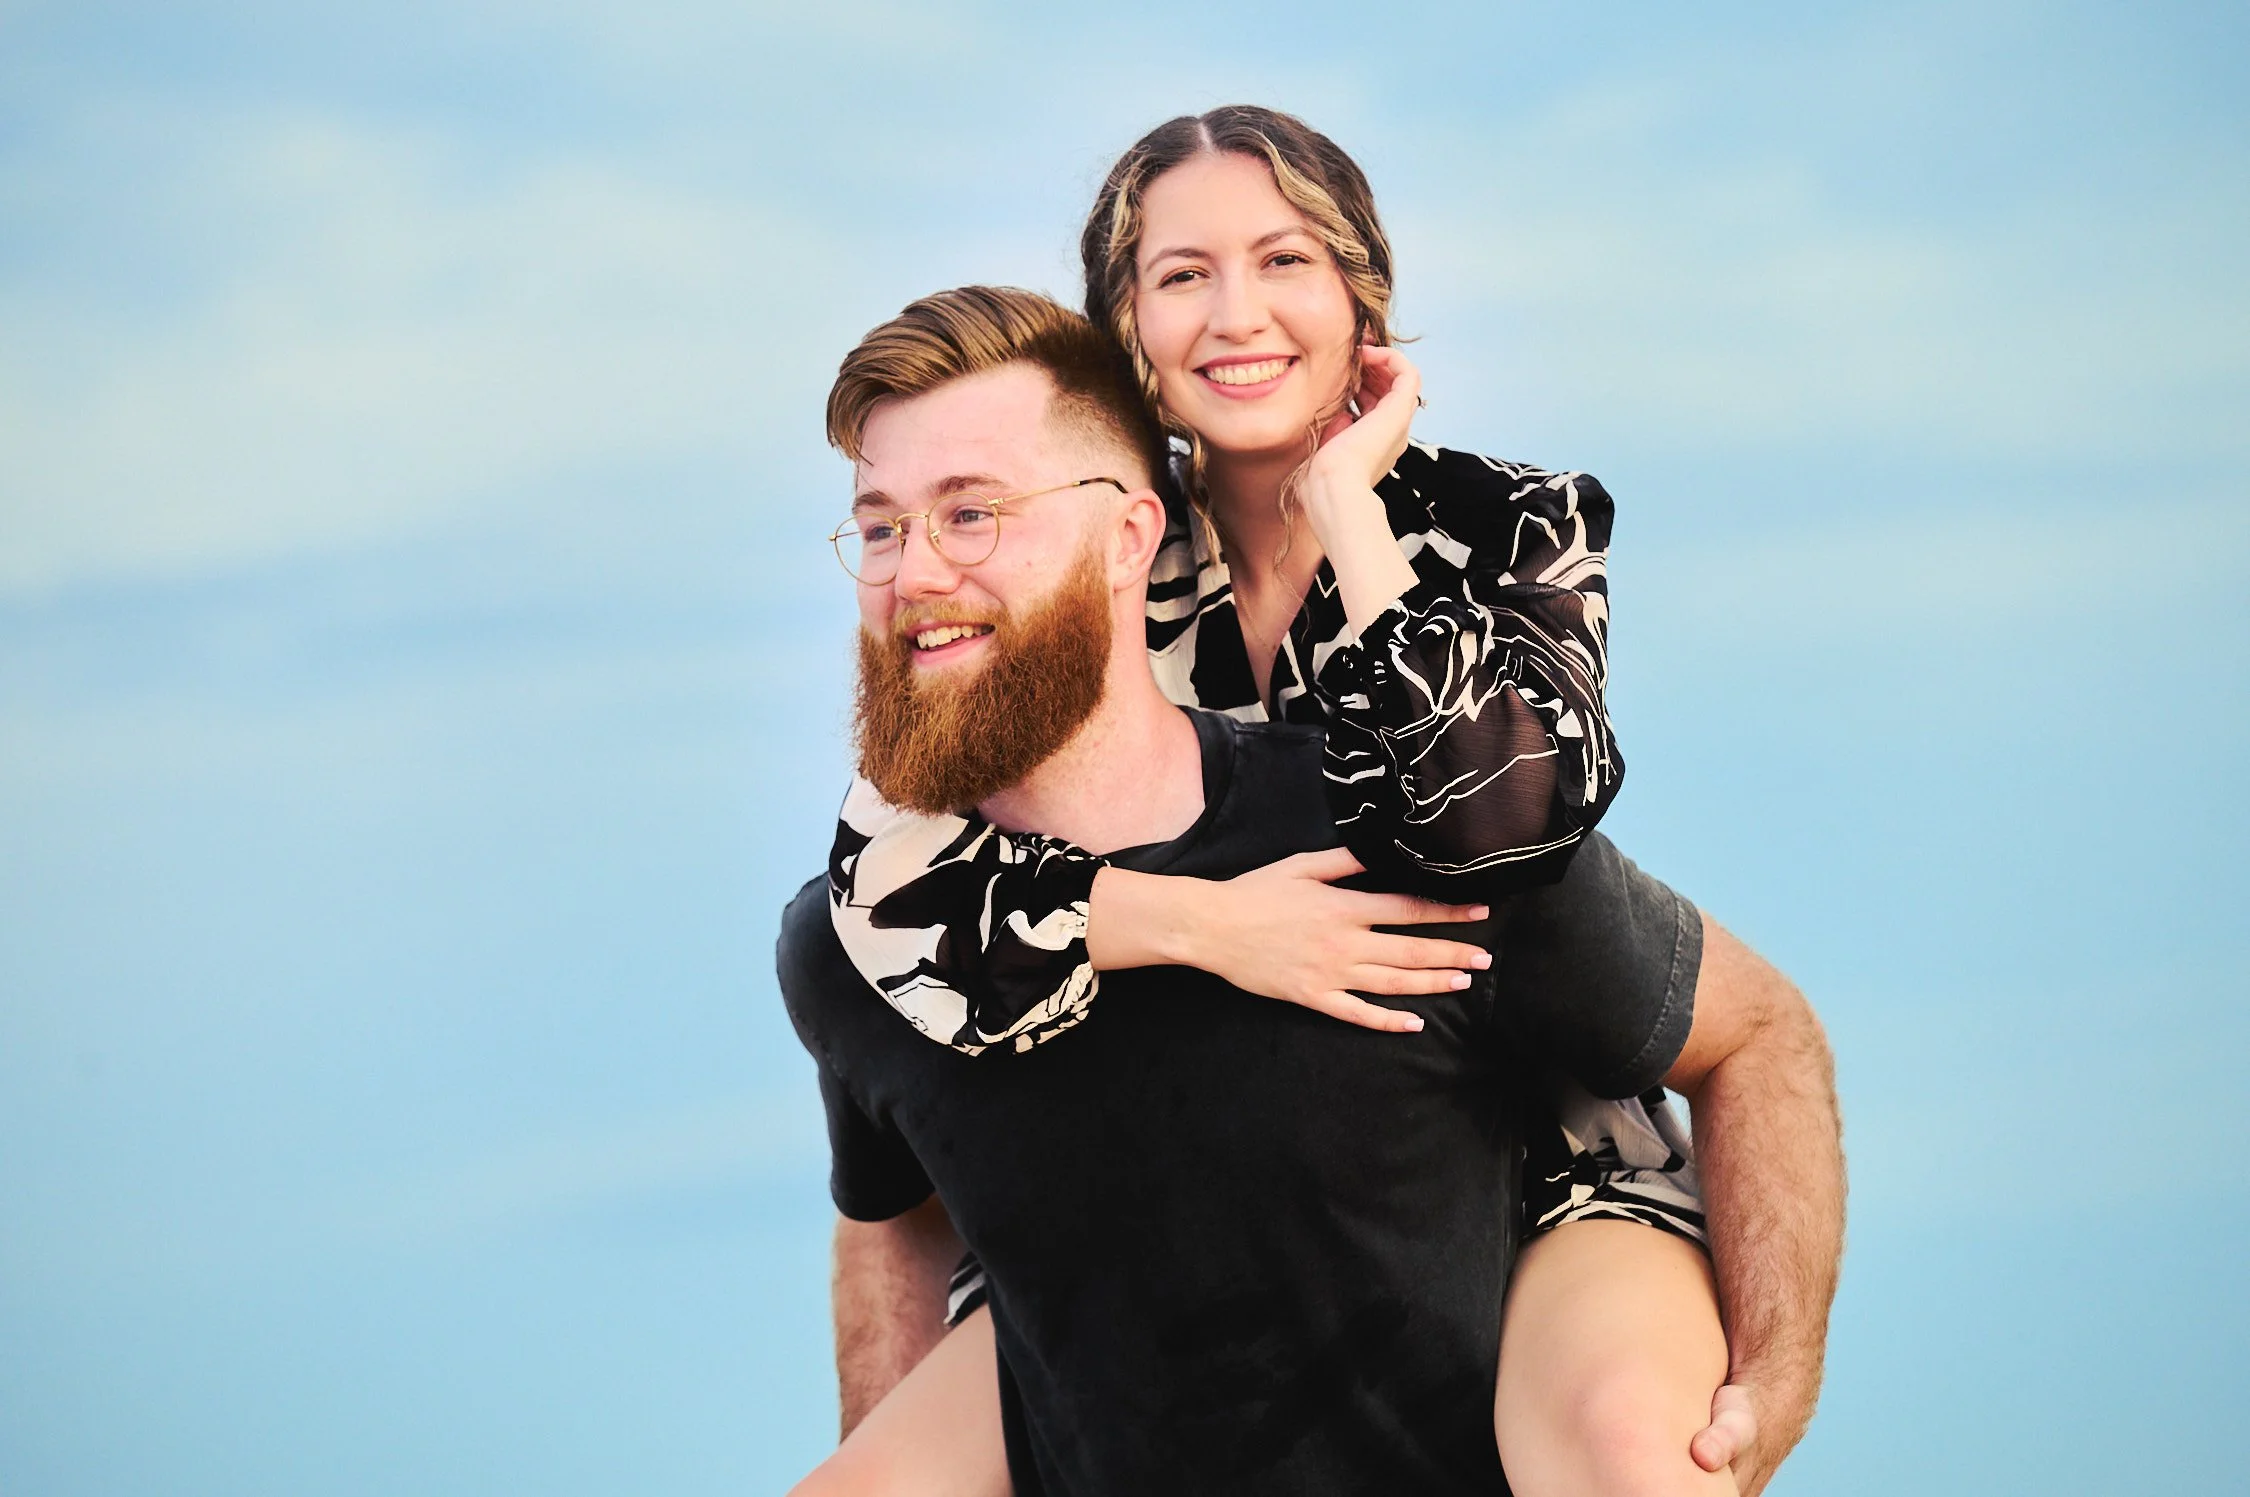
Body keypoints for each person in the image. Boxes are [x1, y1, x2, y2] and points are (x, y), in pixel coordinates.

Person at [821, 109, 1814, 1490]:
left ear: (1359, 294)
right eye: (1180, 276)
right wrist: (1206, 923)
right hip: (1156, 1182)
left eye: (1283, 260)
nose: (1237, 315)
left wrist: (1343, 497)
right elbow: (881, 885)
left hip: (1520, 1140)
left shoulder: (1509, 522)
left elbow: (1502, 818)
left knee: (1626, 1455)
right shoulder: (1080, 545)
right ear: (1126, 327)